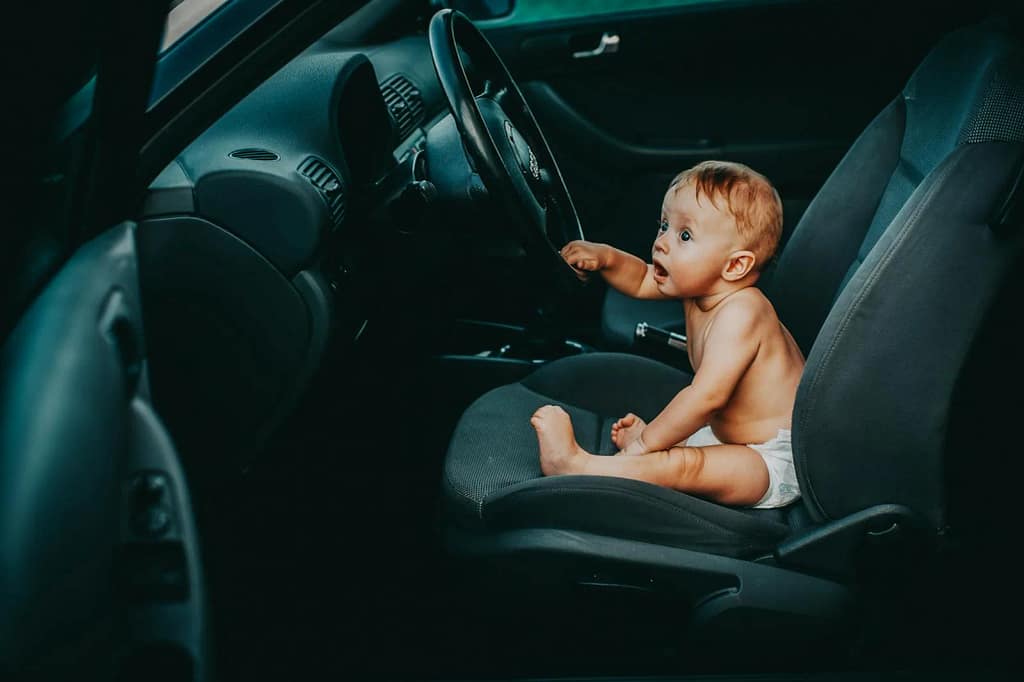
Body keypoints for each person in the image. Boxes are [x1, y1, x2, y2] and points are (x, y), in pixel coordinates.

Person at [530, 160, 804, 508]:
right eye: (664, 225)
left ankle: (576, 465)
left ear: (735, 266)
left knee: (684, 466)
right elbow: (644, 278)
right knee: (682, 448)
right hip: (726, 437)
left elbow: (706, 397)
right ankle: (646, 454)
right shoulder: (701, 287)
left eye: (684, 235)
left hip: (772, 458)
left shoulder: (743, 312)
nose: (661, 243)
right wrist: (605, 258)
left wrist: (645, 442)